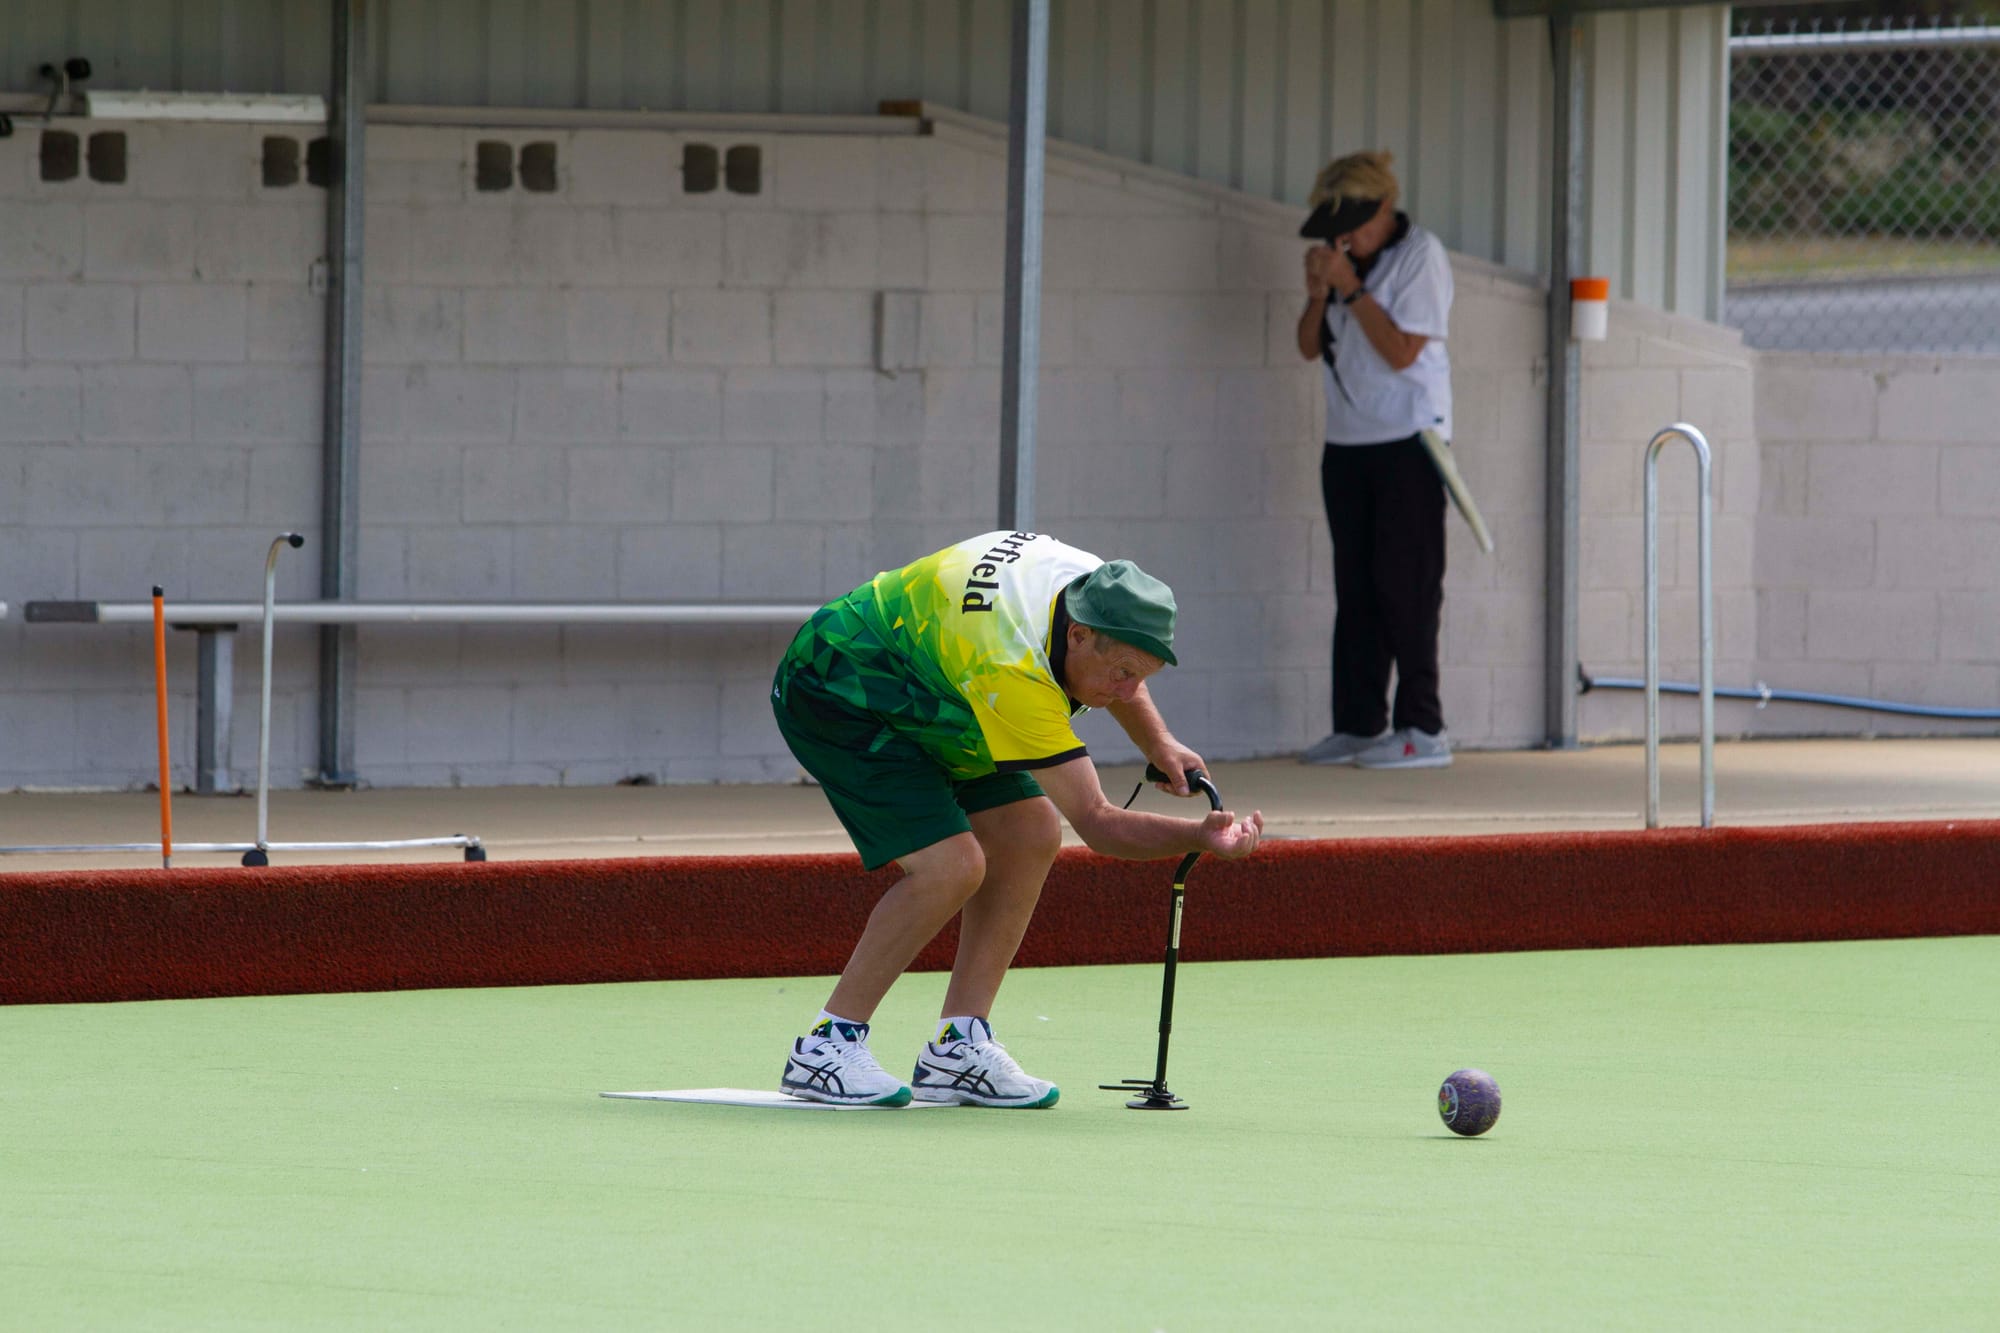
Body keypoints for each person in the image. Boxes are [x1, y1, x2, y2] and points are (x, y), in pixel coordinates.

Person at [769, 531, 1265, 1108]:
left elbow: (1113, 669)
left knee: (1030, 834)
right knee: (951, 867)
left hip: (942, 681)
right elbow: (1100, 823)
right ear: (1078, 634)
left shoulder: (1100, 591)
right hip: (841, 684)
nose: (1128, 690)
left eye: (1144, 676)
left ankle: (958, 1046)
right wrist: (1201, 837)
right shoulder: (1013, 666)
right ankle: (827, 1045)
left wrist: (1159, 741)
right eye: (1123, 672)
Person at [1294, 150, 1457, 771]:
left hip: (1409, 442)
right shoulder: (1342, 261)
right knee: (1355, 588)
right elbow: (1309, 347)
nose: (1350, 237)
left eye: (1359, 223)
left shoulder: (1422, 257)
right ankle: (1359, 723)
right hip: (1348, 443)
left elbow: (1402, 352)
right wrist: (1318, 293)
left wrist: (1351, 287)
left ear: (1385, 210)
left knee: (1407, 587)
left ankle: (1423, 727)